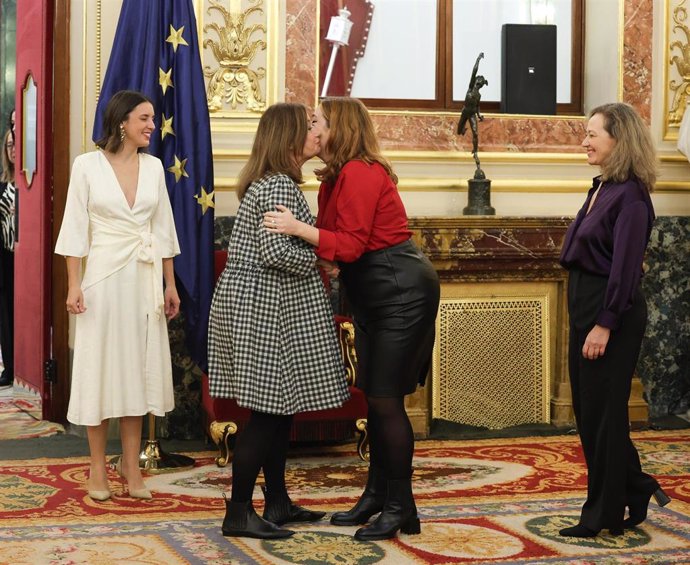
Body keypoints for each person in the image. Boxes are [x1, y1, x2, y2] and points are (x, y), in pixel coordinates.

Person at [264, 97, 440, 541]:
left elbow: (353, 243)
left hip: (400, 291)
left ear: (339, 127)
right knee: (374, 396)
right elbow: (339, 244)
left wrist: (298, 229)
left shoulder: (362, 171)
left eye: (318, 122)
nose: (313, 129)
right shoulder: (335, 177)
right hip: (370, 292)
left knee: (386, 399)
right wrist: (327, 255)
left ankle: (402, 507)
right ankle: (377, 495)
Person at [207, 102, 350, 540]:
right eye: (307, 127)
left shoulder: (276, 183)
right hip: (262, 311)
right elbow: (276, 253)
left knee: (279, 409)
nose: (315, 133)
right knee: (268, 413)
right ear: (288, 139)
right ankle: (237, 513)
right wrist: (322, 259)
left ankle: (278, 502)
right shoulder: (278, 188)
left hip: (264, 308)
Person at [55, 90, 181, 502]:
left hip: (144, 282)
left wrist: (170, 284)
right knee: (100, 371)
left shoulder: (156, 167)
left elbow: (163, 229)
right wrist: (74, 284)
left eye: (152, 118)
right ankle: (96, 466)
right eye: (144, 118)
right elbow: (75, 229)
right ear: (122, 121)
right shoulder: (87, 166)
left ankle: (130, 466)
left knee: (135, 373)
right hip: (103, 282)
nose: (151, 125)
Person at [558, 102, 670, 538]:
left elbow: (624, 270)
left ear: (618, 140)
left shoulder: (632, 197)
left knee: (604, 416)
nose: (584, 141)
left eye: (592, 134)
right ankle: (636, 485)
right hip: (586, 303)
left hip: (611, 311)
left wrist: (604, 323)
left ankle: (602, 515)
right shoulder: (603, 187)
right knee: (590, 414)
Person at [0, 128, 15, 387]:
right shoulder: (2, 184)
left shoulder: (29, 184)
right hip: (4, 256)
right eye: (9, 145)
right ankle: (10, 367)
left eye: (17, 144)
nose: (13, 149)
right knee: (4, 313)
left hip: (25, 257)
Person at [457, 52, 488, 172]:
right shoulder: (471, 87)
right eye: (480, 81)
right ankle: (462, 129)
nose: (480, 83)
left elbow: (478, 106)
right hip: (465, 111)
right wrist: (478, 59)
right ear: (476, 81)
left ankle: (475, 151)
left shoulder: (479, 94)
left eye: (482, 83)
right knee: (459, 131)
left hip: (472, 113)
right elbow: (474, 71)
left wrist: (479, 116)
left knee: (475, 133)